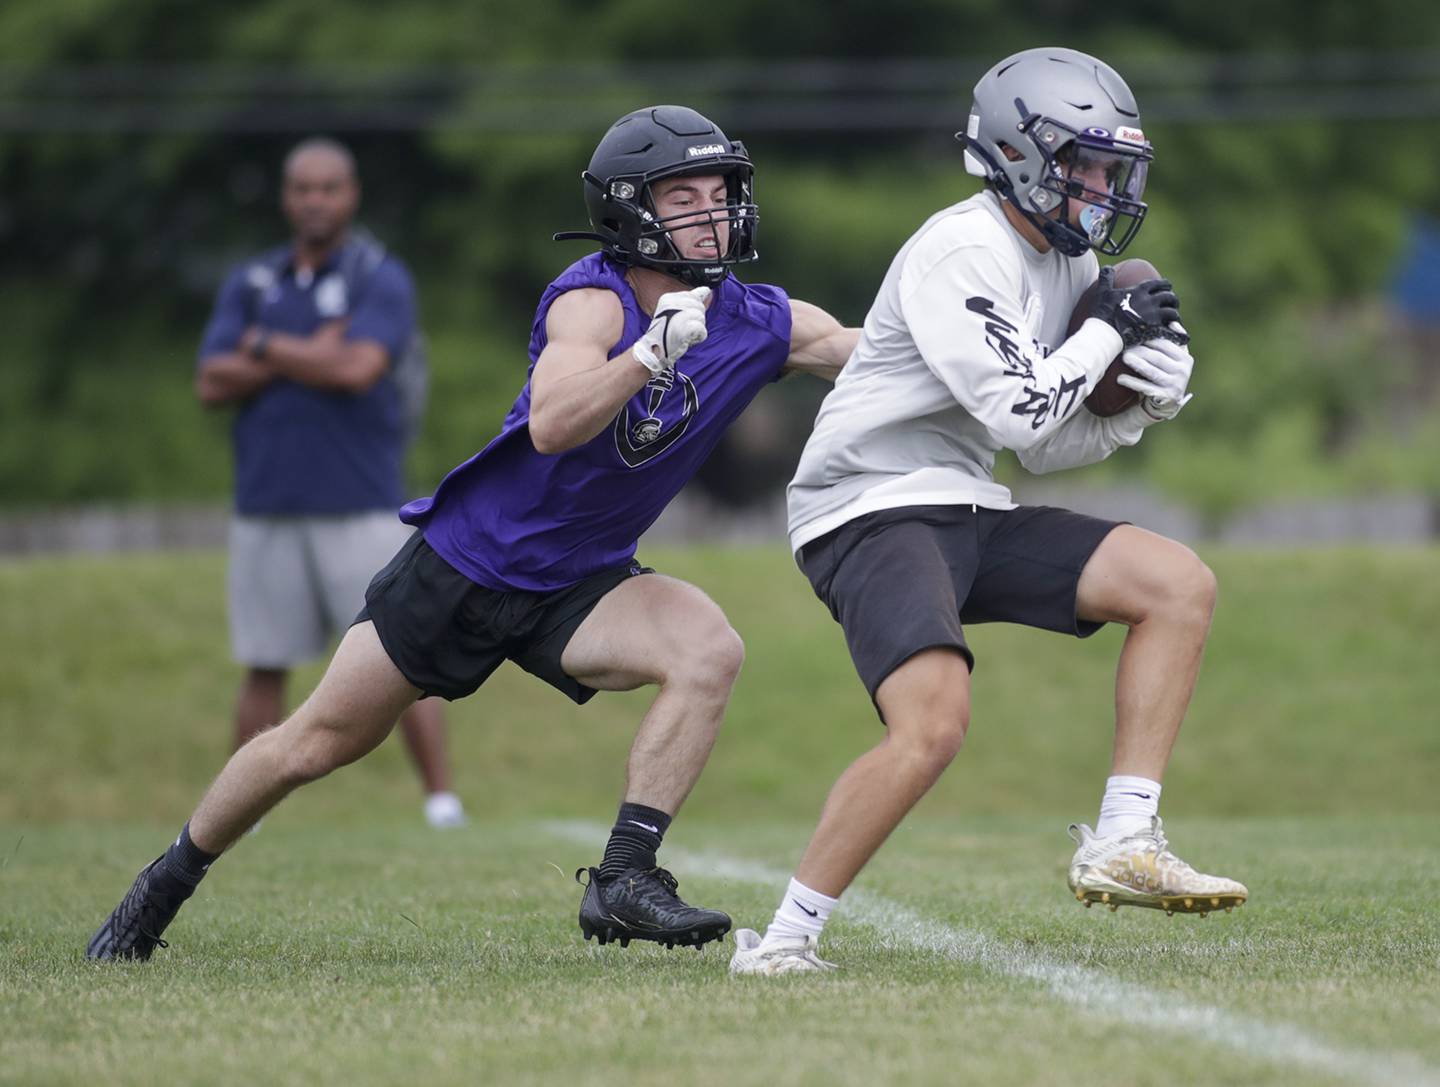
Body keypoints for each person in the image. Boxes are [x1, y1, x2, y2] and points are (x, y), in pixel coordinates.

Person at [86, 105, 860, 961]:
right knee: (312, 744)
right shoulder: (592, 301)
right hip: (468, 562)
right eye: (685, 195)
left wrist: (993, 361)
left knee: (709, 648)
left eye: (720, 192)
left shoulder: (757, 317)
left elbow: (871, 355)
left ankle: (624, 877)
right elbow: (554, 424)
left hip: (583, 580)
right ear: (631, 210)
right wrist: (647, 358)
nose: (712, 212)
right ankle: (160, 886)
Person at [729, 47, 1248, 976]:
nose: (1100, 185)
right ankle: (786, 939)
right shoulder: (959, 247)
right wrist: (1104, 337)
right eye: (1082, 162)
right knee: (933, 723)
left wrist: (1141, 408)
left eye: (1109, 165)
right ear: (1017, 152)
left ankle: (1123, 838)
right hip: (866, 504)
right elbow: (1024, 407)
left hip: (963, 497)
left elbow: (1045, 443)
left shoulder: (1066, 259)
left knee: (1177, 582)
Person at [192, 137, 466, 831]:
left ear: (351, 195)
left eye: (329, 188)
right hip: (267, 502)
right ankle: (238, 812)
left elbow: (356, 370)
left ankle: (441, 801)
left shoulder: (381, 276)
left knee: (402, 657)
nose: (315, 200)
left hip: (360, 501)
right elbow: (209, 380)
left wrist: (262, 347)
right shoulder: (253, 279)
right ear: (287, 198)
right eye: (302, 189)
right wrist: (306, 349)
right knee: (264, 660)